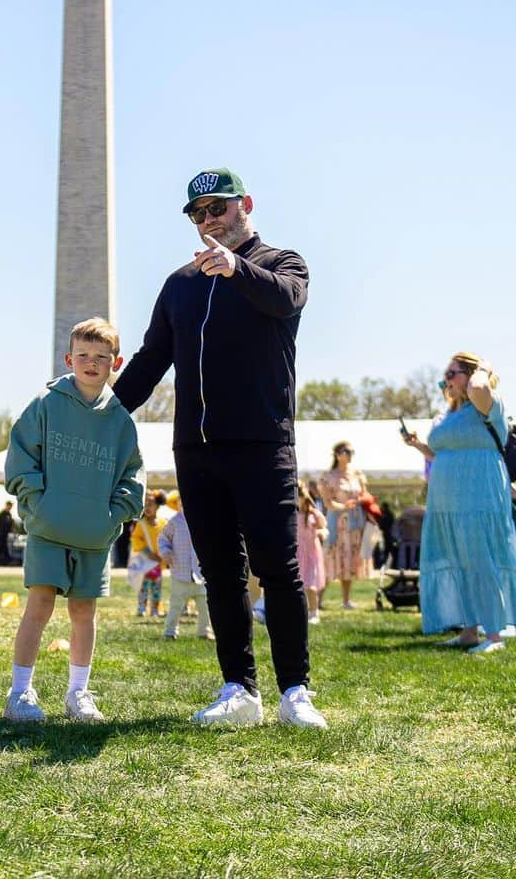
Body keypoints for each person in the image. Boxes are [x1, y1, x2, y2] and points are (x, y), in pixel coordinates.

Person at [113, 168, 326, 729]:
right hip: (198, 450)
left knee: (278, 570)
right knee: (221, 573)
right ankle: (240, 689)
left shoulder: (282, 265)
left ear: (245, 205)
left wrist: (236, 269)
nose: (209, 220)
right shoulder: (180, 283)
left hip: (263, 444)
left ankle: (295, 692)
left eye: (218, 208)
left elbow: (285, 301)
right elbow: (151, 358)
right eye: (198, 213)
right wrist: (102, 411)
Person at [4, 317, 145, 723]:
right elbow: (20, 458)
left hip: (94, 536)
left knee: (85, 614)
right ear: (69, 358)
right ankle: (20, 693)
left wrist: (112, 517)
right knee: (39, 606)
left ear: (114, 364)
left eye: (101, 357)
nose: (91, 363)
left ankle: (78, 694)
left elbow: (132, 477)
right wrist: (37, 505)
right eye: (83, 355)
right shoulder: (45, 405)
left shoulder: (121, 421)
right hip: (48, 530)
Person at [402, 352, 516, 654]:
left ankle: (493, 635)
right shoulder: (451, 414)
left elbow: (479, 388)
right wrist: (418, 446)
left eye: (452, 374)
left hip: (479, 498)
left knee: (481, 562)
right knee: (460, 563)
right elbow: (441, 456)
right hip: (447, 504)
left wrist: (484, 368)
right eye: (445, 377)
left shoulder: (486, 404)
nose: (446, 381)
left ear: (471, 373)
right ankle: (468, 631)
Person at [318, 442, 371, 610]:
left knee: (349, 562)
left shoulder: (357, 475)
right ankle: (317, 600)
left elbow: (365, 496)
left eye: (351, 452)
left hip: (355, 524)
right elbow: (327, 502)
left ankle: (346, 600)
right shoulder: (328, 476)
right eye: (345, 451)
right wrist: (343, 507)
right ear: (337, 453)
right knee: (330, 560)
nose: (348, 455)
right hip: (337, 524)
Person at [157, 503, 213, 640]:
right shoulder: (175, 521)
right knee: (176, 606)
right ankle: (170, 632)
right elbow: (163, 539)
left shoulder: (204, 520)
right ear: (179, 503)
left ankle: (204, 631)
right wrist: (166, 551)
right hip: (180, 573)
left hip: (201, 573)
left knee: (205, 606)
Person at [131, 491, 168, 618]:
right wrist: (148, 553)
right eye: (145, 503)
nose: (147, 506)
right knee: (143, 587)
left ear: (157, 505)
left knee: (157, 588)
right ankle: (141, 608)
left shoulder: (164, 524)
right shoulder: (141, 524)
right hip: (145, 561)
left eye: (150, 503)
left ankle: (155, 609)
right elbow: (135, 538)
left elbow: (168, 540)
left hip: (158, 563)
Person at [295, 481, 328, 625]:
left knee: (311, 584)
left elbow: (323, 526)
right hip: (298, 552)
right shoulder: (293, 513)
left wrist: (320, 532)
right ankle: (303, 612)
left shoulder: (312, 513)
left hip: (311, 552)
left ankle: (315, 613)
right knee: (299, 584)